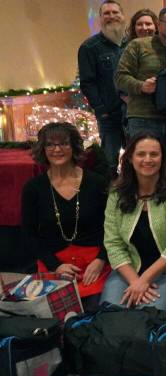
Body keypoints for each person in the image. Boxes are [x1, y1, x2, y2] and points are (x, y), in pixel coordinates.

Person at [100, 133, 166, 311]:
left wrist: (144, 279)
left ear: (163, 158)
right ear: (130, 158)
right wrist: (135, 281)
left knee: (147, 317)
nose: (148, 159)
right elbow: (112, 242)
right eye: (141, 154)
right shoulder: (117, 192)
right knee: (110, 313)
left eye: (154, 154)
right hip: (129, 269)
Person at [21, 122, 111, 311]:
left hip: (94, 263)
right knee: (58, 314)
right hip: (54, 262)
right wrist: (56, 265)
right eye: (50, 144)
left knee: (95, 310)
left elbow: (112, 228)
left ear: (74, 147)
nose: (57, 149)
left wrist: (101, 259)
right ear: (42, 149)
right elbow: (29, 235)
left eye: (64, 143)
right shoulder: (33, 188)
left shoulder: (97, 183)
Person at [114, 6, 166, 178]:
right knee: (143, 172)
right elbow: (120, 77)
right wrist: (142, 86)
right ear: (159, 24)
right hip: (143, 119)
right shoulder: (138, 46)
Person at [78, 0, 127, 175]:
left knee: (138, 157)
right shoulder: (89, 47)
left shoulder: (131, 44)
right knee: (109, 162)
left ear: (123, 16)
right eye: (106, 13)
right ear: (100, 18)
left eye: (115, 12)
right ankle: (110, 198)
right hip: (109, 114)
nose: (111, 16)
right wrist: (101, 110)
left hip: (134, 112)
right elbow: (87, 82)